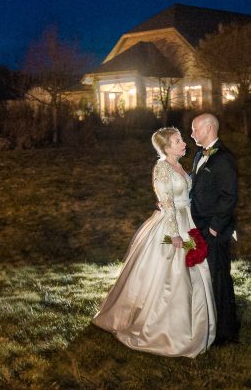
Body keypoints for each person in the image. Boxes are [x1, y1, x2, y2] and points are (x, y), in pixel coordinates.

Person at [92, 127, 216, 357]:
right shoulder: (161, 169)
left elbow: (185, 197)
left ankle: (193, 323)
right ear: (166, 147)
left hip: (186, 222)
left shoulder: (179, 166)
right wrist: (175, 234)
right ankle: (164, 329)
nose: (183, 143)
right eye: (178, 141)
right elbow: (167, 203)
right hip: (171, 229)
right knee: (174, 271)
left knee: (195, 268)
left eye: (181, 139)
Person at [189, 113, 240, 345]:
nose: (192, 134)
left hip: (214, 232)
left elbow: (229, 196)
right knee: (208, 279)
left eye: (195, 130)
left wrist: (214, 229)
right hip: (199, 227)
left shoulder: (224, 158)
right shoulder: (200, 154)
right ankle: (212, 325)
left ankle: (226, 334)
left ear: (208, 128)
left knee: (220, 279)